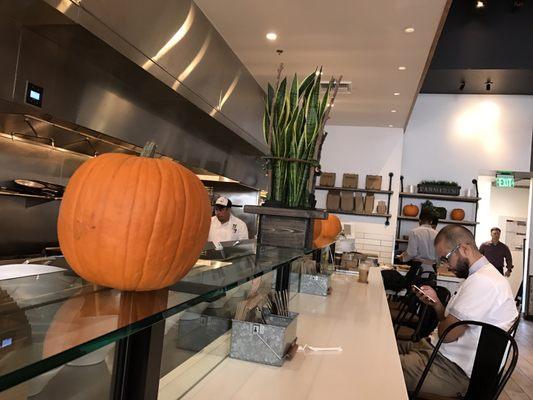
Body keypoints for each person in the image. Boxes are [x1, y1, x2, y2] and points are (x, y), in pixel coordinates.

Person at [398, 225, 518, 397]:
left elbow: (446, 334)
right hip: (436, 352)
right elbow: (449, 325)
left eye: (446, 258)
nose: (446, 266)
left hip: (450, 369)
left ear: (463, 249)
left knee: (381, 366)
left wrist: (443, 323)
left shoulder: (484, 282)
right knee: (382, 348)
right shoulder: (480, 277)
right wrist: (437, 304)